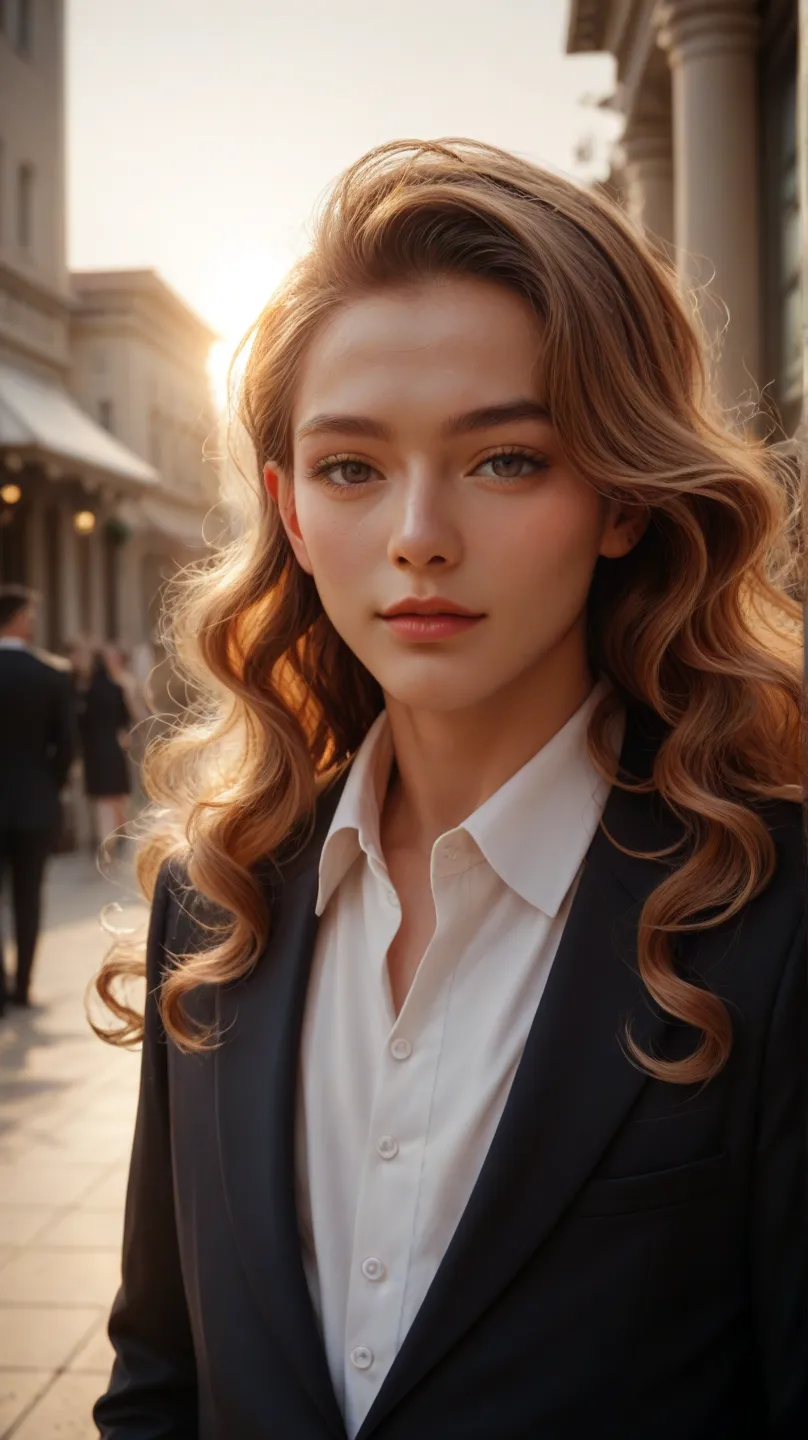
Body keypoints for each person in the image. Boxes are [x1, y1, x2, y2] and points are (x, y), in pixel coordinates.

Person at [91, 140, 805, 1439]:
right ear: (292, 515)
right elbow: (160, 1379)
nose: (418, 531)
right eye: (351, 468)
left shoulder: (779, 911)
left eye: (505, 459)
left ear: (622, 498)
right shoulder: (216, 900)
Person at [0, 585, 76, 1011]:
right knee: (29, 896)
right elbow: (66, 747)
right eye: (29, 615)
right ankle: (23, 985)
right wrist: (50, 784)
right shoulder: (50, 675)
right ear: (16, 619)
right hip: (34, 801)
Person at [74, 646, 133, 853]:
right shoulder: (115, 689)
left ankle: (105, 837)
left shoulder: (87, 692)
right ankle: (119, 831)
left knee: (102, 797)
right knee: (116, 794)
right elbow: (125, 718)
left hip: (94, 749)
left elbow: (81, 723)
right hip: (113, 746)